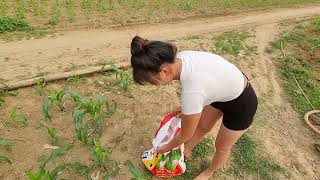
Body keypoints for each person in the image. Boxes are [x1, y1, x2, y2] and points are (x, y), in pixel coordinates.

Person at [130, 36, 258, 180]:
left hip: (242, 103)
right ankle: (187, 150)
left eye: (153, 81)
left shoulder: (192, 90)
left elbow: (185, 134)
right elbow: (205, 84)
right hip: (223, 90)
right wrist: (188, 108)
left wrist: (165, 148)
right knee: (203, 126)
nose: (156, 85)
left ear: (164, 71)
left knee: (222, 146)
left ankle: (209, 173)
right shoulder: (179, 59)